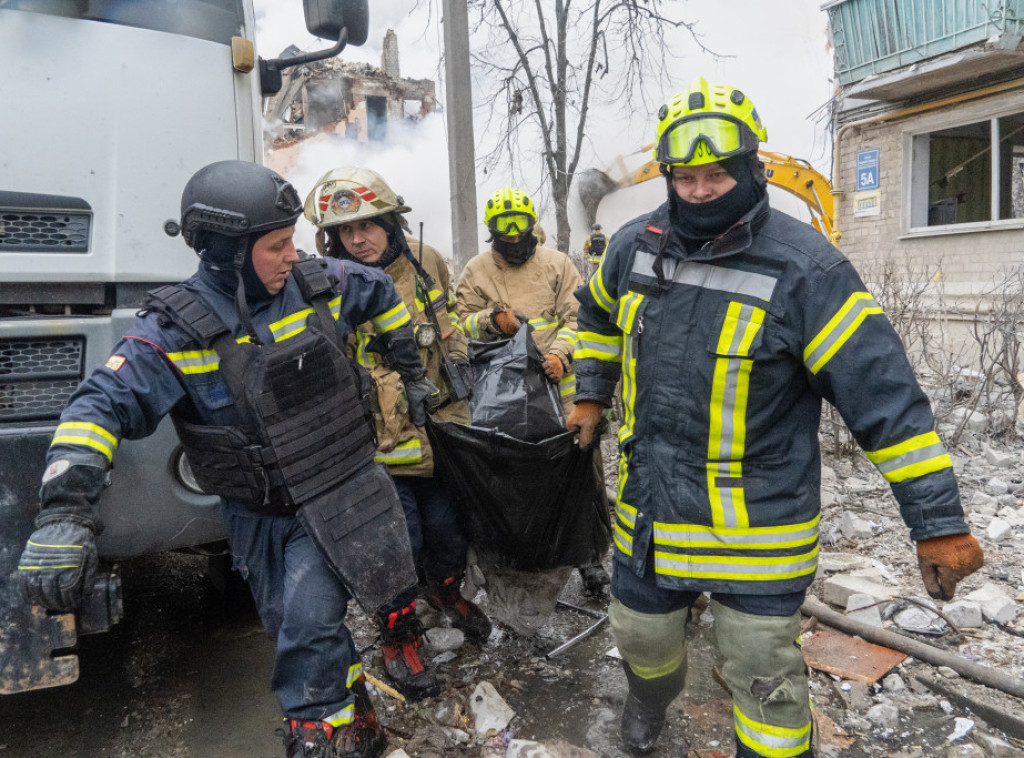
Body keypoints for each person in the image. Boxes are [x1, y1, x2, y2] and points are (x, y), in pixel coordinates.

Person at [568, 77, 985, 757]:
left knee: (765, 677)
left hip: (755, 527)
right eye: (685, 177)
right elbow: (596, 315)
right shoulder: (632, 247)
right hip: (650, 512)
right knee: (642, 642)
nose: (699, 191)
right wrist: (591, 390)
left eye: (716, 175)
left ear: (750, 168)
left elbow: (886, 401)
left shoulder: (808, 271)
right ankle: (649, 699)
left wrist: (937, 524)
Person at [15, 161, 443, 758]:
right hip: (264, 513)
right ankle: (356, 714)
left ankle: (333, 719)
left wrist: (409, 367)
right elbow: (98, 405)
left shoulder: (323, 282)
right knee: (296, 628)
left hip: (350, 485)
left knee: (336, 608)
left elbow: (383, 296)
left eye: (291, 240)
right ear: (225, 252)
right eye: (275, 246)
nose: (292, 255)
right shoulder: (174, 331)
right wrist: (64, 510)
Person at [303, 166, 492, 658]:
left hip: (439, 425)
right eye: (346, 230)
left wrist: (458, 362)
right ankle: (398, 632)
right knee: (395, 540)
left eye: (367, 226)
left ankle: (445, 591)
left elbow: (448, 321)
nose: (358, 239)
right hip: (376, 440)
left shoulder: (426, 261)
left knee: (448, 528)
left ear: (392, 224)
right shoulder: (326, 284)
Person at [456, 186, 610, 621]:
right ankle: (520, 558)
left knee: (582, 473)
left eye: (518, 224)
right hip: (503, 397)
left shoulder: (557, 265)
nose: (511, 235)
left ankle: (590, 560)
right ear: (491, 231)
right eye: (501, 228)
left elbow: (582, 317)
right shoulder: (476, 270)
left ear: (531, 225)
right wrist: (492, 321)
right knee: (514, 481)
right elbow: (457, 321)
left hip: (561, 393)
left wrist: (561, 352)